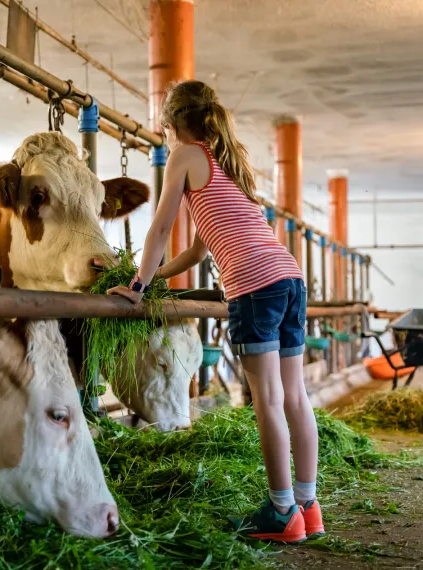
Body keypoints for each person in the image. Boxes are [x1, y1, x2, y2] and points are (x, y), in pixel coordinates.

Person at [107, 80, 324, 544]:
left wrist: (137, 286)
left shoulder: (185, 154)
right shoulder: (229, 165)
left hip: (255, 286)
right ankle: (308, 507)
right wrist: (158, 276)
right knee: (294, 396)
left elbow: (161, 225)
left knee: (267, 400)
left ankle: (282, 511)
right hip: (288, 277)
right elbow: (197, 249)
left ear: (170, 124)